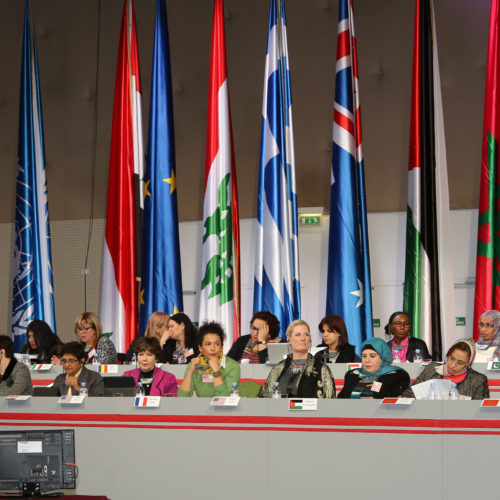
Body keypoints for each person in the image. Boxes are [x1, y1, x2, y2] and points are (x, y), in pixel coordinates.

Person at [259, 320, 335, 398]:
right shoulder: (278, 368)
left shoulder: (322, 369)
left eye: (306, 334)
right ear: (289, 339)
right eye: (298, 335)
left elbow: (331, 404)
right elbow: (264, 399)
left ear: (310, 339)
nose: (303, 338)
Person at [403, 338, 489, 400]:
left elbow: (480, 411)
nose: (452, 365)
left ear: (468, 364)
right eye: (452, 358)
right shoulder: (432, 369)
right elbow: (409, 394)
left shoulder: (478, 380)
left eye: (460, 362)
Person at [178, 322, 240, 397]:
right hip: (201, 407)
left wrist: (216, 371)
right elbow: (182, 397)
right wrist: (190, 372)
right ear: (200, 348)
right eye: (208, 344)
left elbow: (224, 399)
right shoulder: (195, 365)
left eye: (217, 344)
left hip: (224, 408)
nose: (213, 348)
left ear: (222, 347)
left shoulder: (232, 366)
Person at [338, 337, 410, 399]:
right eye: (364, 356)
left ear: (383, 358)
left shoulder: (396, 375)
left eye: (372, 356)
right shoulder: (352, 374)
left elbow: (384, 398)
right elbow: (341, 399)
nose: (367, 360)